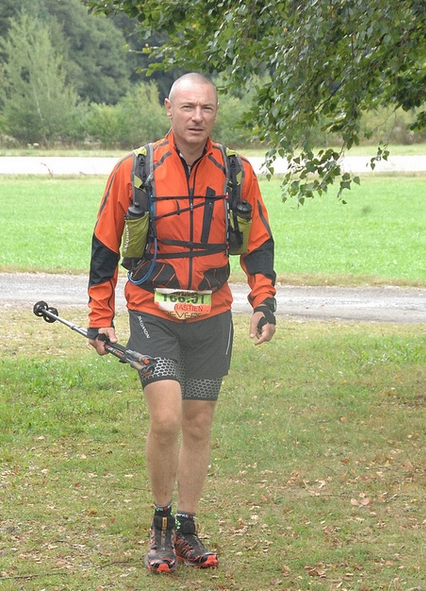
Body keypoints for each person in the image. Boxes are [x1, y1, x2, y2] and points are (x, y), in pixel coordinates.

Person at [87, 72, 276, 574]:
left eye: (206, 109)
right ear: (168, 107)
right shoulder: (136, 169)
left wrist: (264, 302)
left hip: (211, 315)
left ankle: (187, 526)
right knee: (167, 417)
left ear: (216, 113)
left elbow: (257, 243)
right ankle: (160, 523)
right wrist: (100, 318)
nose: (197, 117)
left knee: (198, 422)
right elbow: (105, 246)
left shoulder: (237, 172)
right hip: (153, 311)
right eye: (188, 107)